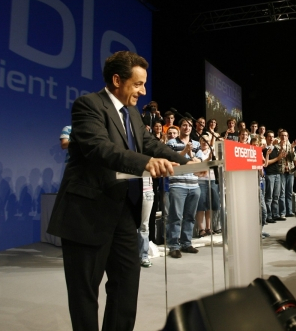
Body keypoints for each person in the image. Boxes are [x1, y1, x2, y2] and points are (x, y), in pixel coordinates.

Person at [47, 51, 196, 331]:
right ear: (117, 80)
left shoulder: (132, 114)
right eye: (138, 84)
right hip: (87, 215)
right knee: (85, 296)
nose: (143, 91)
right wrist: (146, 163)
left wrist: (186, 161)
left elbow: (150, 143)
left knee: (126, 289)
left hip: (124, 215)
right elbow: (100, 149)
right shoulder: (88, 105)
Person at [165, 117, 204, 258]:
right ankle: (173, 245)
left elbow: (199, 162)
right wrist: (184, 153)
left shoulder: (196, 144)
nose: (187, 128)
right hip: (178, 185)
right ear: (180, 127)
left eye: (189, 126)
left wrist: (190, 155)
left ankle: (186, 243)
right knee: (176, 216)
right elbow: (171, 160)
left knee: (190, 216)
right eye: (184, 125)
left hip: (194, 185)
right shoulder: (171, 143)